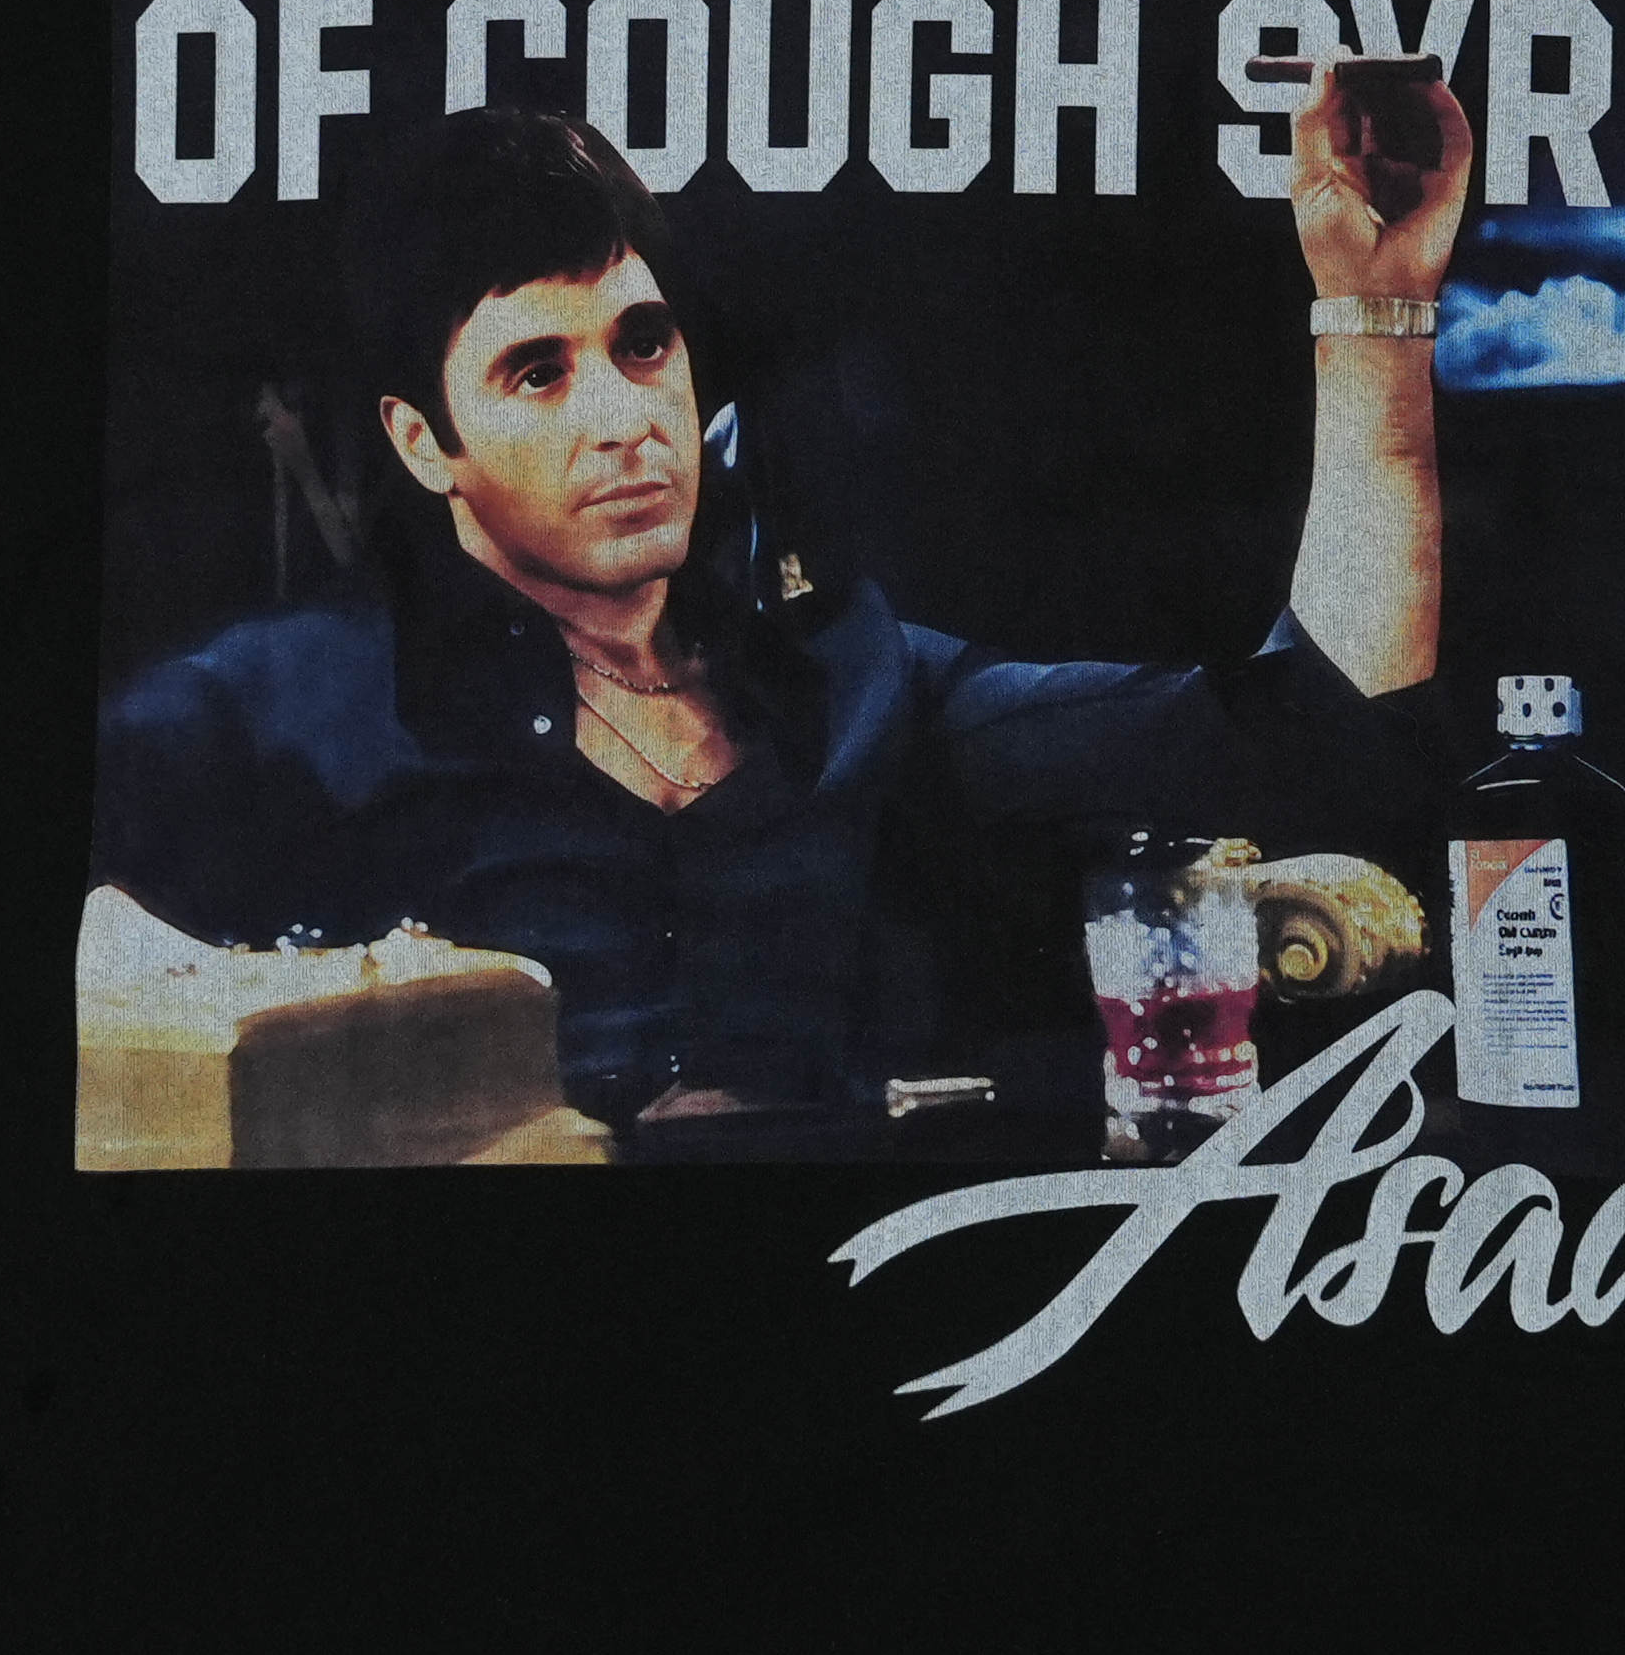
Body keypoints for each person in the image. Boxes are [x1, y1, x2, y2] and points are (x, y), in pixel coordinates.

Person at [89, 64, 1478, 1132]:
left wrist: (1376, 315)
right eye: (538, 373)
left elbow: (1315, 727)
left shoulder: (849, 677)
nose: (624, 420)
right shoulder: (279, 705)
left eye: (644, 346)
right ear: (421, 442)